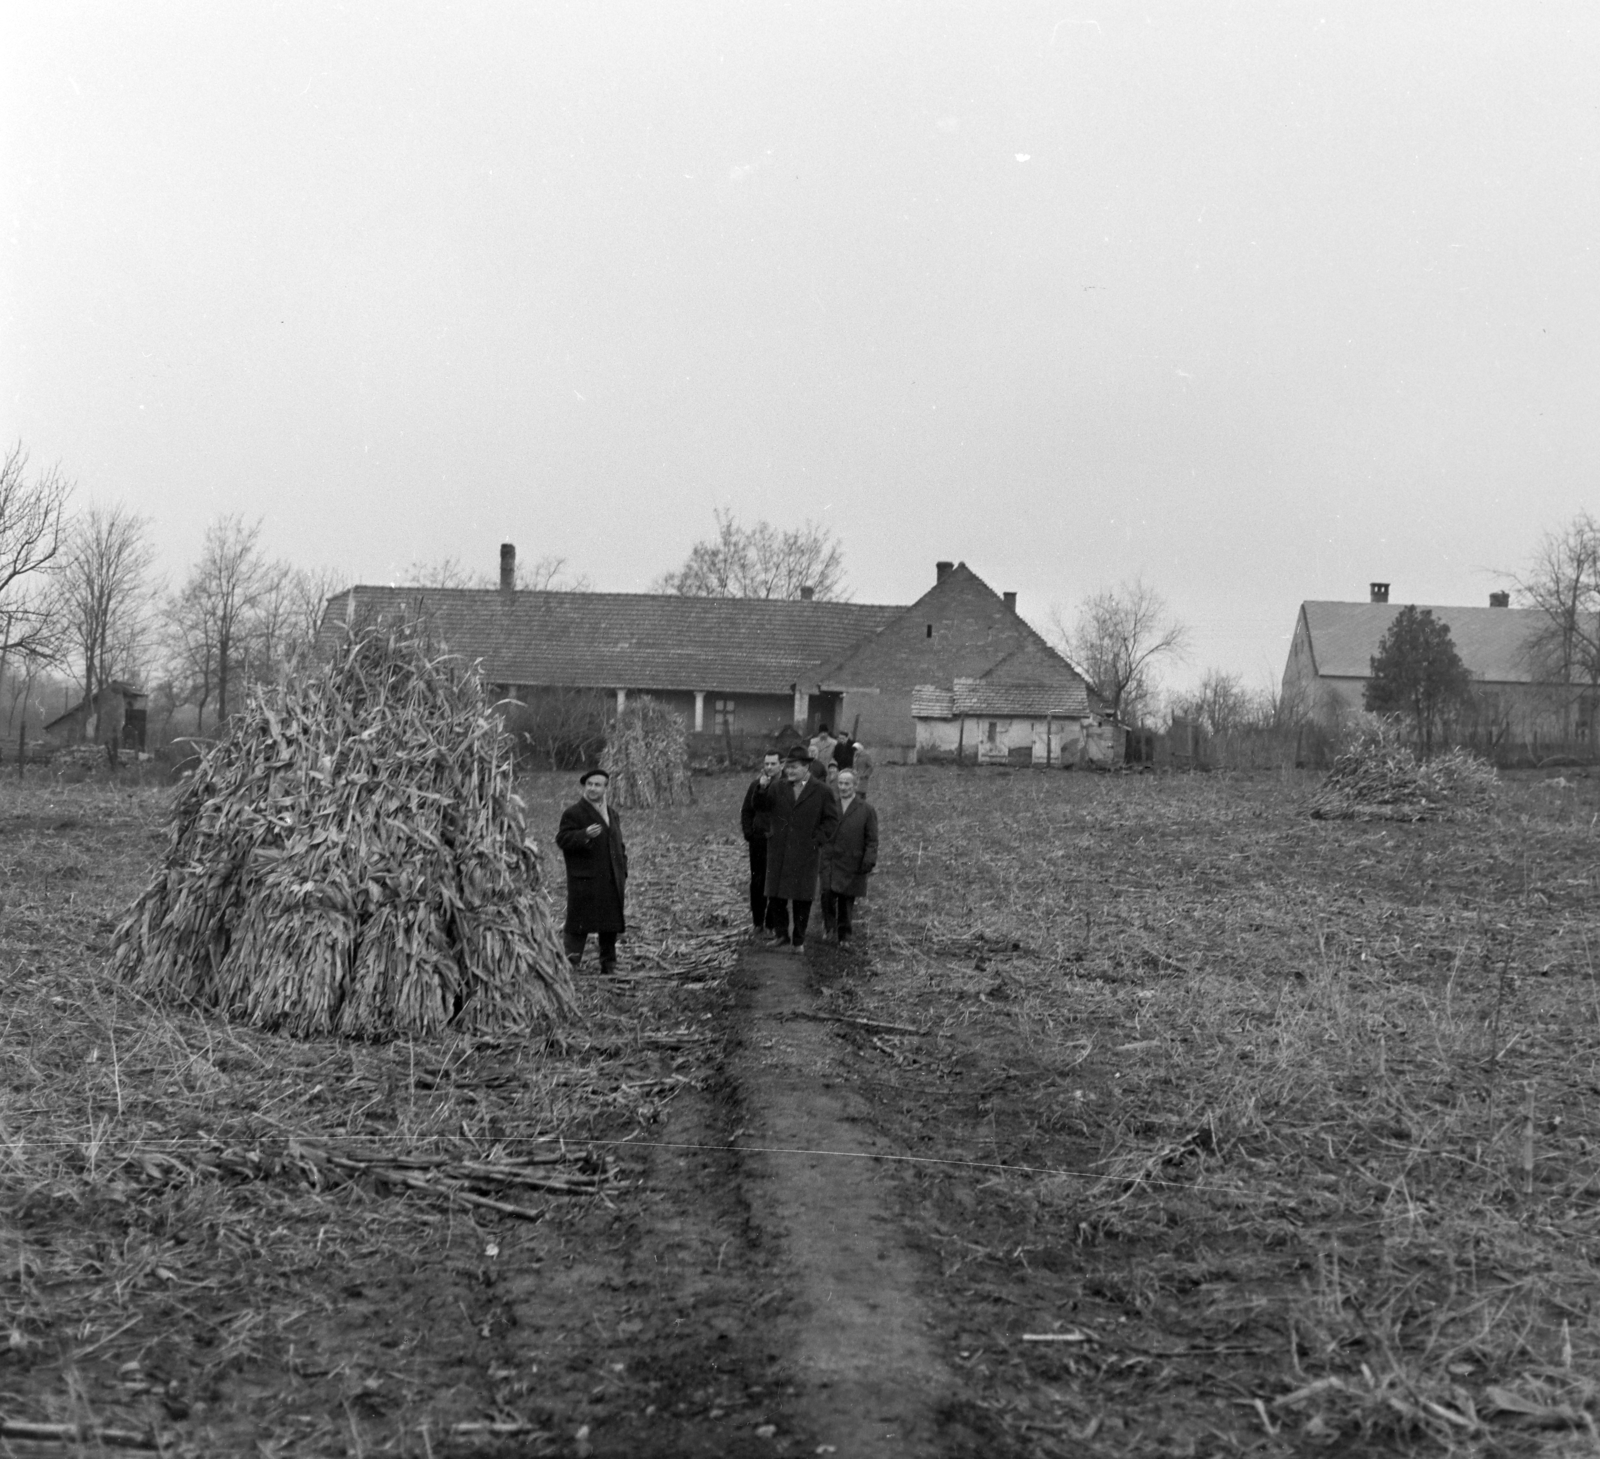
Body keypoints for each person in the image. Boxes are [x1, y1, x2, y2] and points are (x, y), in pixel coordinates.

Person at [756, 746, 839, 952]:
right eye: (788, 767)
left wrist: (816, 840)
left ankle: (798, 940)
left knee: (802, 898)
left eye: (794, 767)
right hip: (780, 850)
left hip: (805, 852)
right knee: (776, 895)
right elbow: (761, 807)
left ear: (806, 767)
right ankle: (781, 934)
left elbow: (831, 821)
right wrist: (762, 788)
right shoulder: (777, 787)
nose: (789, 771)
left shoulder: (822, 791)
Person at [555, 768, 628, 973]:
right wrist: (583, 835)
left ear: (605, 788)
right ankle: (569, 965)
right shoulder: (574, 813)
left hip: (611, 878)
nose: (593, 788)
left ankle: (608, 964)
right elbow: (562, 839)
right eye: (589, 784)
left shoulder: (612, 813)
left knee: (610, 923)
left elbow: (618, 844)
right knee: (579, 923)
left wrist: (623, 870)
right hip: (585, 879)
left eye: (597, 785)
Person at [820, 769, 877, 946]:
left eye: (847, 784)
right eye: (840, 783)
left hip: (852, 861)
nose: (843, 787)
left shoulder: (866, 810)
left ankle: (844, 935)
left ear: (855, 785)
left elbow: (872, 838)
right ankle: (829, 928)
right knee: (827, 894)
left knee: (846, 899)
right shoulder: (830, 806)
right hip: (830, 859)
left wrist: (869, 858)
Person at [740, 751, 784, 937]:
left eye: (773, 764)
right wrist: (749, 833)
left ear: (781, 765)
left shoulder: (785, 786)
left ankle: (771, 923)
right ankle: (758, 922)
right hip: (758, 840)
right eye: (766, 763)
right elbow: (747, 810)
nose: (769, 767)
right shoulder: (756, 785)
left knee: (776, 882)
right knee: (758, 882)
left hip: (778, 841)